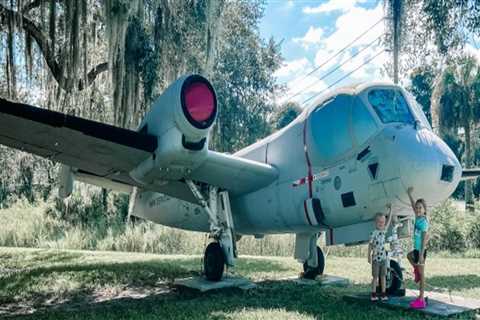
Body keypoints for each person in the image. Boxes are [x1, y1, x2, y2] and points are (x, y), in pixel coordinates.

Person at [406, 186, 429, 309]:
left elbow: (424, 239)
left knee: (422, 275)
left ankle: (421, 299)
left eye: (420, 208)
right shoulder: (417, 217)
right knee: (408, 256)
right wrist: (410, 194)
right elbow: (412, 205)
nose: (418, 209)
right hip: (415, 250)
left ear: (425, 210)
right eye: (417, 207)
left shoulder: (424, 222)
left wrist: (420, 255)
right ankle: (416, 270)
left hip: (421, 250)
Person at [368, 206, 392, 301]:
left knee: (383, 276)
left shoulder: (384, 231)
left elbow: (389, 220)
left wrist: (391, 210)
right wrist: (368, 256)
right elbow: (370, 245)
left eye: (383, 222)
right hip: (375, 259)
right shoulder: (373, 233)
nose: (381, 223)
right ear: (376, 222)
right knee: (375, 277)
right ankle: (373, 294)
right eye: (379, 222)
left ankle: (383, 294)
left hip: (383, 258)